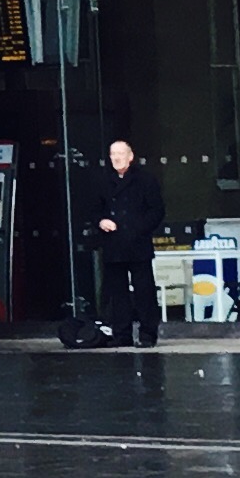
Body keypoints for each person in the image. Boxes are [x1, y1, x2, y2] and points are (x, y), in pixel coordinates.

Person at [87, 138, 166, 349]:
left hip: (137, 244)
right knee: (117, 293)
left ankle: (148, 334)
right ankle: (122, 334)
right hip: (113, 244)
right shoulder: (103, 182)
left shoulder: (146, 180)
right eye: (113, 154)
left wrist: (138, 229)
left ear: (130, 156)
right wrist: (101, 221)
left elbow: (156, 211)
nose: (116, 158)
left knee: (144, 291)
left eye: (120, 154)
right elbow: (94, 210)